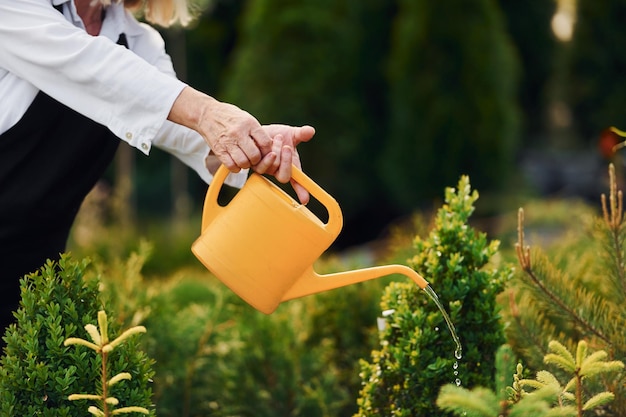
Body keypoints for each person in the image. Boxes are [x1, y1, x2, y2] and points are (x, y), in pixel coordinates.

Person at [0, 0, 315, 339]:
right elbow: (89, 64)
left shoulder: (139, 44)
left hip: (32, 286)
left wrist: (255, 146)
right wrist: (208, 113)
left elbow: (187, 135)